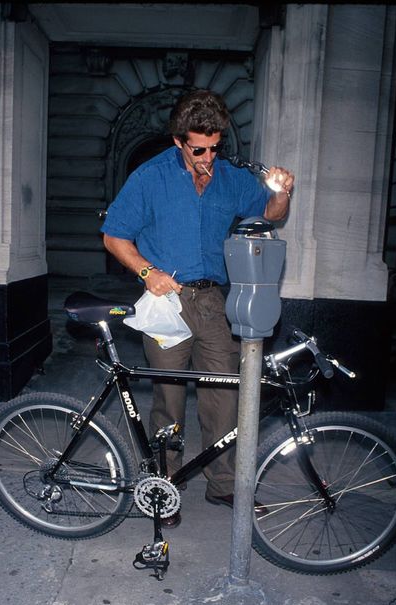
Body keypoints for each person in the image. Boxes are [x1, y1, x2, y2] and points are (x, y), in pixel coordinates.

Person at [102, 89, 294, 527]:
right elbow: (115, 236)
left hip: (212, 300)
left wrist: (282, 192)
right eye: (199, 148)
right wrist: (147, 273)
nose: (209, 156)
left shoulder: (229, 176)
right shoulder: (150, 178)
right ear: (178, 142)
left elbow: (270, 213)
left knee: (224, 394)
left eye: (215, 146)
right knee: (168, 400)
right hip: (164, 298)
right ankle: (166, 487)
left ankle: (223, 484)